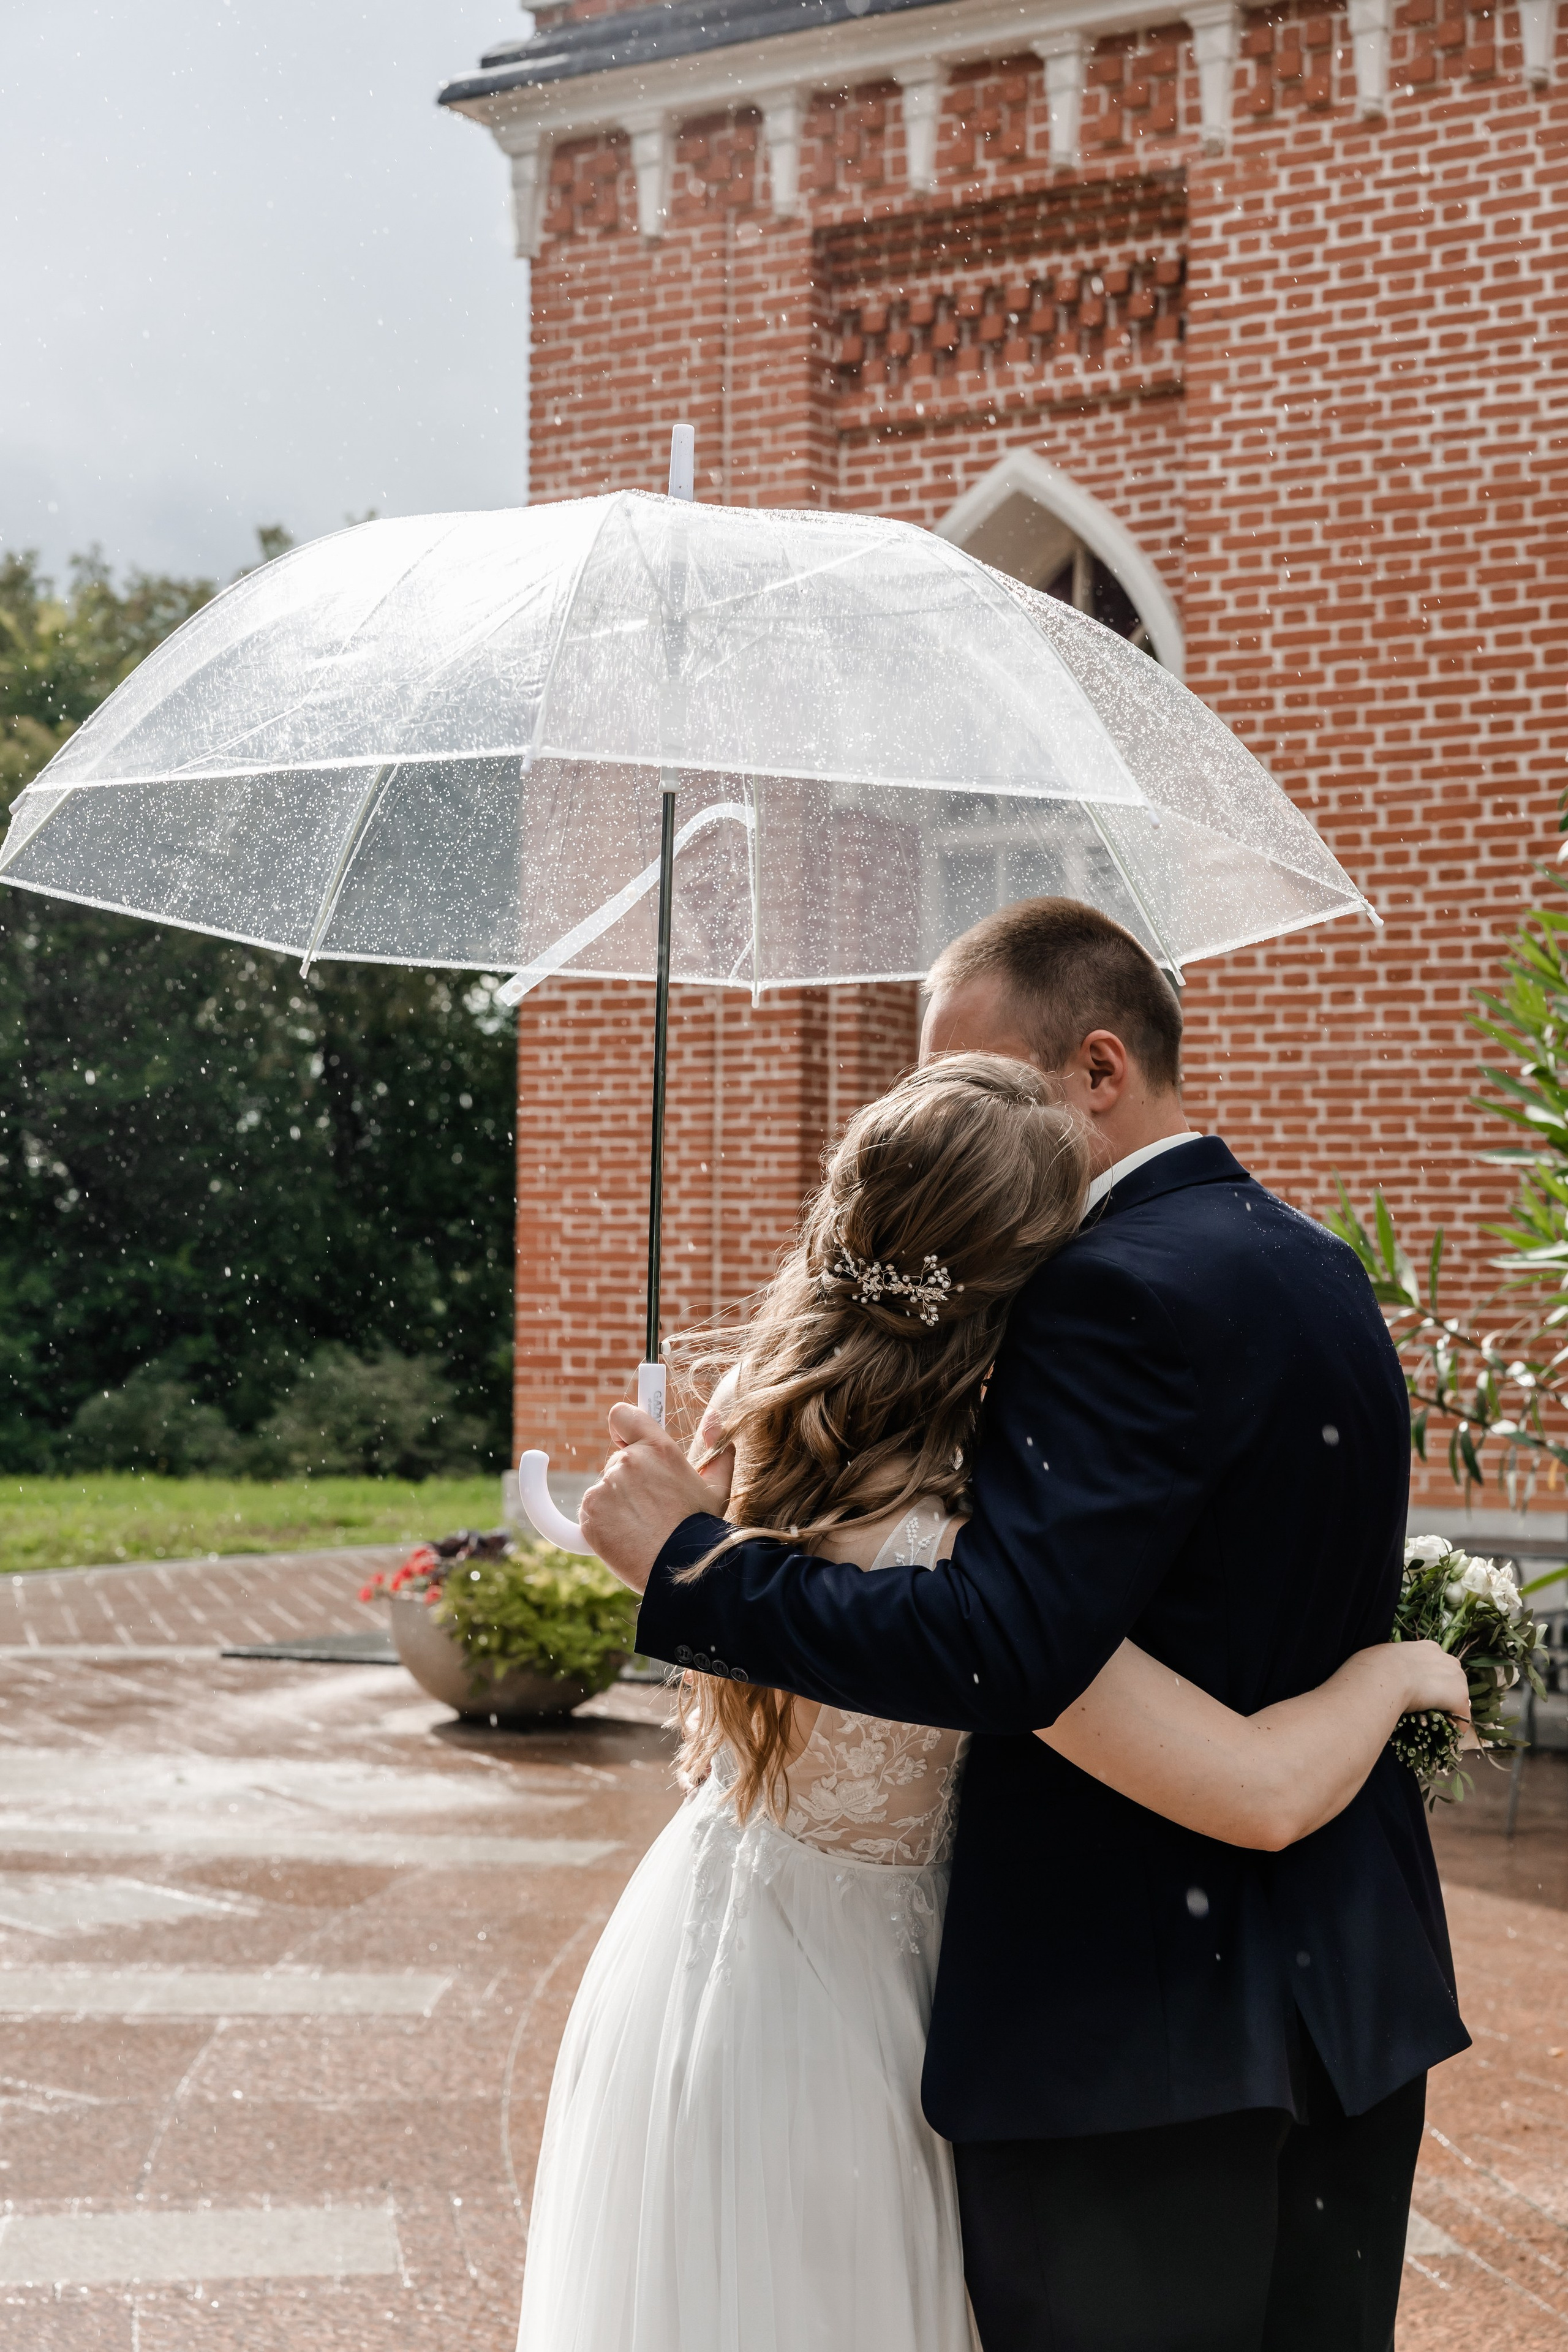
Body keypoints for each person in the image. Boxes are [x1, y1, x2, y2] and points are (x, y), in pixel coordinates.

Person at [581, 899, 1472, 2352]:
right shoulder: (1315, 1264)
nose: (952, 1115)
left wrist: (691, 1568)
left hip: (1135, 2043)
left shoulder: (1096, 1293)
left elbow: (1005, 1642)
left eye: (979, 1082)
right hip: (1347, 2005)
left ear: (1097, 1070)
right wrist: (1379, 1679)